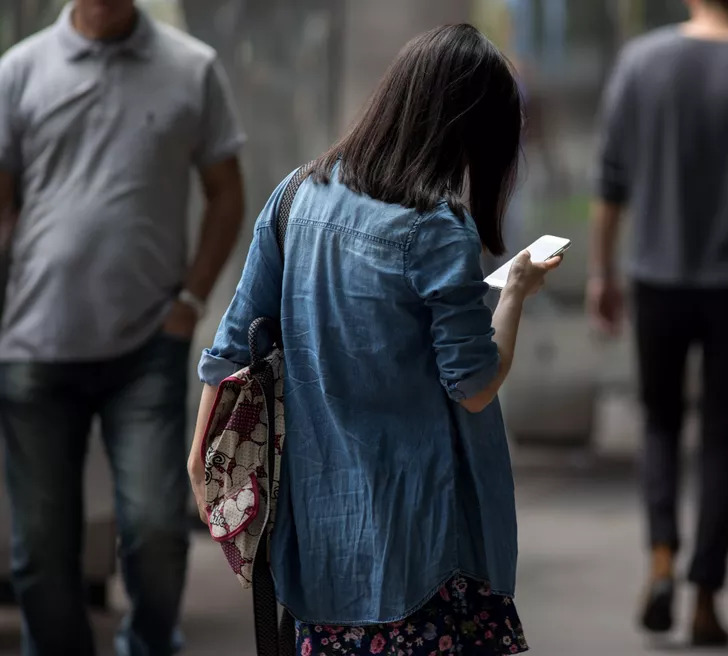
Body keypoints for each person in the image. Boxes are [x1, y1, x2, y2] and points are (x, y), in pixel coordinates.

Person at [188, 24, 561, 656]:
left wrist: (203, 464)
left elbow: (229, 351)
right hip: (425, 545)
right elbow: (473, 386)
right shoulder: (437, 230)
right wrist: (517, 290)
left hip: (320, 536)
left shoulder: (294, 196)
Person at [0, 0, 246, 654]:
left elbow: (227, 191)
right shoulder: (18, 72)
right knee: (42, 552)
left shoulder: (193, 68)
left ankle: (148, 644)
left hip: (147, 345)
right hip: (33, 345)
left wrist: (191, 300)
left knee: (157, 533)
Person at [588, 0, 728, 645]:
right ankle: (707, 594)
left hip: (656, 276)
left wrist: (604, 273)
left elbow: (611, 183)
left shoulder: (640, 63)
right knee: (724, 436)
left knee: (659, 420)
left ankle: (661, 558)